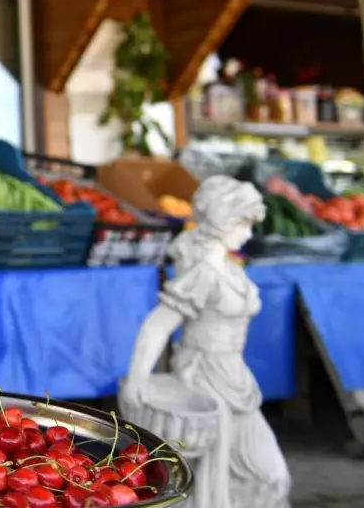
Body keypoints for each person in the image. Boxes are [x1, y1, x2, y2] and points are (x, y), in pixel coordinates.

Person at [122, 176, 292, 508]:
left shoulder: (230, 268)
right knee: (218, 482)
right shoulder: (204, 273)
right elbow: (158, 325)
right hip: (204, 376)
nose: (248, 231)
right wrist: (137, 378)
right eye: (243, 222)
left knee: (270, 476)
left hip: (235, 377)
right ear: (222, 221)